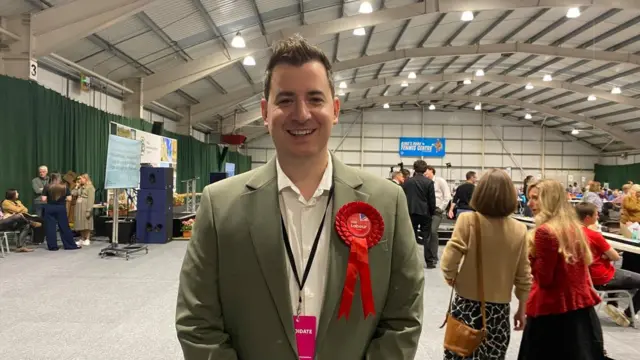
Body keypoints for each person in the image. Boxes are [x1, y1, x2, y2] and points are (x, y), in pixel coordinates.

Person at [175, 35, 424, 360]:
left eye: (315, 99)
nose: (301, 113)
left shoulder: (387, 202)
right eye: (286, 100)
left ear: (335, 110)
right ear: (265, 112)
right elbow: (197, 321)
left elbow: (403, 318)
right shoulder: (219, 205)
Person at [441, 169, 531, 360]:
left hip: (466, 306)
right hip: (499, 311)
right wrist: (522, 309)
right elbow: (524, 274)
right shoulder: (520, 229)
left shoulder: (468, 220)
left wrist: (451, 277)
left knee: (458, 354)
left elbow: (450, 258)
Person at [518, 179, 604, 360]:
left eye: (535, 198)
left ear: (550, 200)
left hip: (552, 314)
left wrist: (530, 257)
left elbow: (544, 279)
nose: (530, 203)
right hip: (580, 312)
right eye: (529, 198)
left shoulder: (544, 232)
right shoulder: (574, 228)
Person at [576, 202, 640, 327]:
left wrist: (603, 254)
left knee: (618, 272)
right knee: (617, 272)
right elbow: (615, 256)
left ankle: (613, 305)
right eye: (596, 214)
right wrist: (606, 254)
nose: (598, 217)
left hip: (587, 277)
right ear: (588, 218)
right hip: (602, 277)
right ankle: (628, 314)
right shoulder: (594, 235)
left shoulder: (571, 232)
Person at [402, 160, 436, 253]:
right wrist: (432, 212)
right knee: (427, 238)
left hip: (411, 211)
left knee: (410, 237)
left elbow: (403, 197)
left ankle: (409, 260)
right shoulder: (429, 182)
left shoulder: (407, 182)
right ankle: (429, 261)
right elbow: (432, 200)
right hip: (425, 212)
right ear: (425, 170)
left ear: (414, 169)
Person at [42, 173, 80, 251]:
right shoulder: (64, 186)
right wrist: (62, 199)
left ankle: (53, 247)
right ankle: (69, 245)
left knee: (50, 227)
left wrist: (50, 200)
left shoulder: (47, 186)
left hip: (49, 207)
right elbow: (69, 199)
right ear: (59, 178)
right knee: (64, 227)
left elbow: (43, 199)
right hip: (61, 208)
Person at [424, 165, 450, 268]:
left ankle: (434, 256)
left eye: (426, 172)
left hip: (437, 210)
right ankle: (431, 256)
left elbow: (447, 196)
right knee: (428, 233)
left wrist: (441, 208)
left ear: (431, 171)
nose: (425, 174)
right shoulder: (425, 182)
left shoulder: (440, 181)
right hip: (427, 210)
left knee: (433, 231)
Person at [71, 174, 95, 246]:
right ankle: (82, 238)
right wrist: (76, 186)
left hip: (85, 206)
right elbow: (73, 193)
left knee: (86, 223)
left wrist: (88, 210)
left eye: (81, 179)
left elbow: (91, 199)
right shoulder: (80, 187)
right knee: (80, 222)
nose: (80, 180)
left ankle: (87, 238)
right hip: (79, 207)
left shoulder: (90, 187)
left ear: (86, 179)